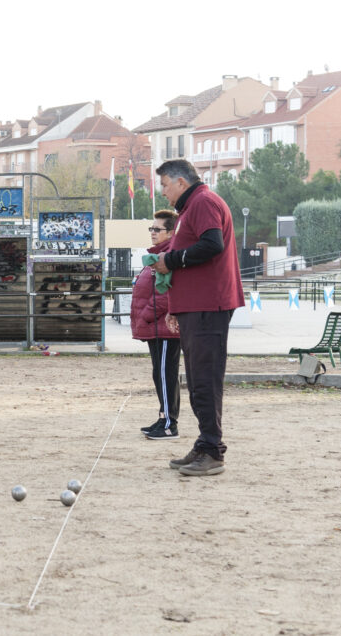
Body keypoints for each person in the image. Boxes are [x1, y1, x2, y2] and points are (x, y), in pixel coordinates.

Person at [153, 159, 244, 476]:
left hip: (210, 305)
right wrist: (178, 306)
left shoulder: (203, 201)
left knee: (205, 379)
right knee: (196, 379)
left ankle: (213, 451)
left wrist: (170, 260)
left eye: (164, 184)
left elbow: (212, 244)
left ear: (180, 182)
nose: (162, 191)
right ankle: (205, 445)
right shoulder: (191, 208)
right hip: (197, 306)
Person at [131, 209, 181, 440]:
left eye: (157, 229)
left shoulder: (168, 256)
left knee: (165, 375)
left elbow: (164, 296)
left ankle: (170, 424)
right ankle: (163, 418)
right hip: (156, 328)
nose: (152, 232)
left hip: (165, 329)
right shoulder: (158, 255)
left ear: (170, 232)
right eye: (151, 228)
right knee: (159, 374)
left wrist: (145, 317)